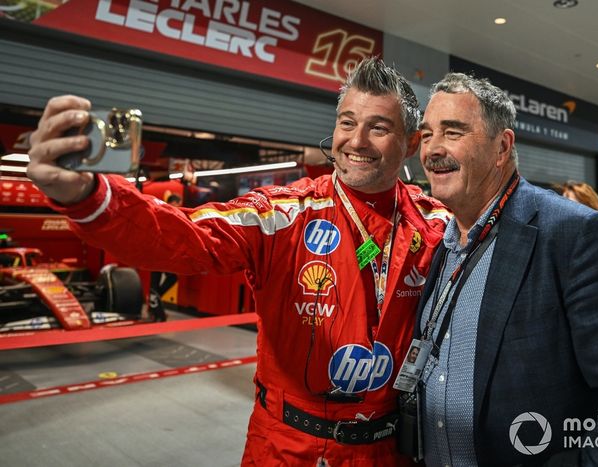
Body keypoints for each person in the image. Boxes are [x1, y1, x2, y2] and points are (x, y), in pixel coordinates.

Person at [26, 58, 449, 466]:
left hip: (391, 450)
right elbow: (186, 236)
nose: (356, 141)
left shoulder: (438, 226)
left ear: (412, 143)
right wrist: (89, 197)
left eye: (379, 127)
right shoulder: (281, 214)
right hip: (286, 447)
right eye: (347, 123)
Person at [414, 72, 598, 466]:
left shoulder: (576, 235)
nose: (433, 149)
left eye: (453, 132)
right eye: (426, 135)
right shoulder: (445, 242)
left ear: (502, 147)